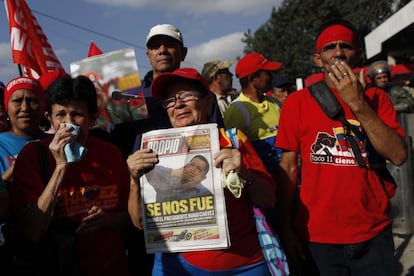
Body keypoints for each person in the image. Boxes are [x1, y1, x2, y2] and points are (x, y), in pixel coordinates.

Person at [276, 19, 408, 276]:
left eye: (345, 46)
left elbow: (398, 155)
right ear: (317, 58)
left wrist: (358, 104)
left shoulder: (377, 98)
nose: (338, 52)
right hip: (317, 238)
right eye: (329, 47)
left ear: (357, 53)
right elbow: (289, 167)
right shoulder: (296, 103)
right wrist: (284, 227)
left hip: (372, 232)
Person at [127, 67, 278, 275]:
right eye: (170, 100)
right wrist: (134, 180)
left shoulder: (232, 140)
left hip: (243, 264)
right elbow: (140, 223)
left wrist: (245, 173)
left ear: (208, 102)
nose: (178, 104)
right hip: (177, 264)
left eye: (187, 96)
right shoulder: (152, 153)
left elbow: (268, 200)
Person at [9, 75, 131, 276]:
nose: (68, 124)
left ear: (92, 119)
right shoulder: (32, 156)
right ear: (49, 118)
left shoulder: (110, 153)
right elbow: (32, 232)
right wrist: (60, 166)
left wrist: (108, 220)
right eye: (61, 115)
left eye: (76, 115)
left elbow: (130, 215)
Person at [223, 52, 283, 172]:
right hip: (262, 183)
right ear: (253, 78)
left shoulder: (275, 103)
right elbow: (235, 153)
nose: (272, 77)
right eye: (267, 73)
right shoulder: (236, 111)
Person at [145, 154, 212, 202]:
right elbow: (148, 169)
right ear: (186, 166)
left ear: (203, 178)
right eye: (192, 164)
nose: (193, 169)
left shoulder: (205, 193)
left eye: (199, 169)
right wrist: (173, 172)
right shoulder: (168, 180)